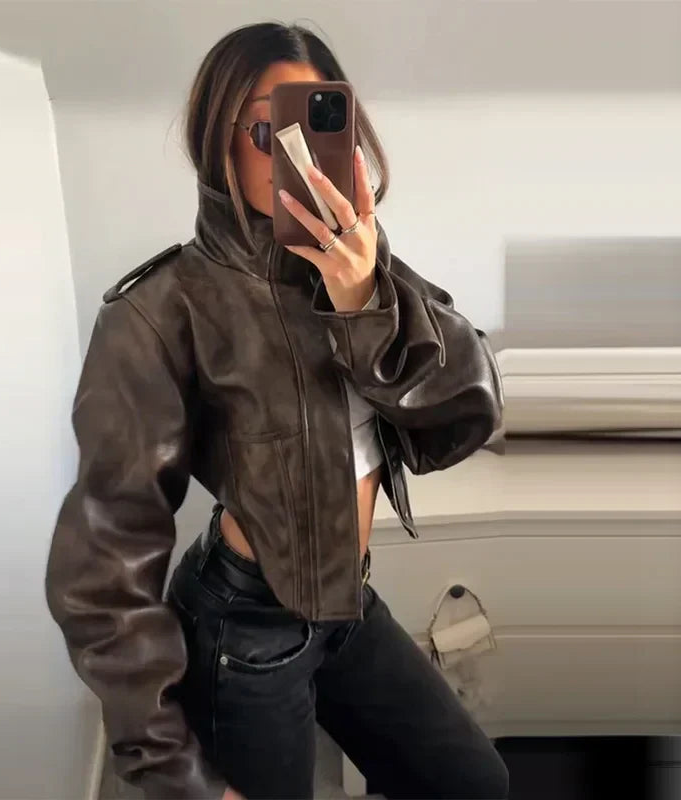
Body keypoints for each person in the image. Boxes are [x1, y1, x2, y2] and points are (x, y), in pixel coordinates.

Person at [45, 21, 508, 800]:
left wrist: (364, 300)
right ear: (217, 142)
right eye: (270, 131)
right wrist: (176, 772)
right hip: (244, 628)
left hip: (348, 603)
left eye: (320, 125)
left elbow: (467, 413)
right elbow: (102, 565)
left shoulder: (361, 270)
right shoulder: (161, 310)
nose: (299, 156)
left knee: (473, 782)